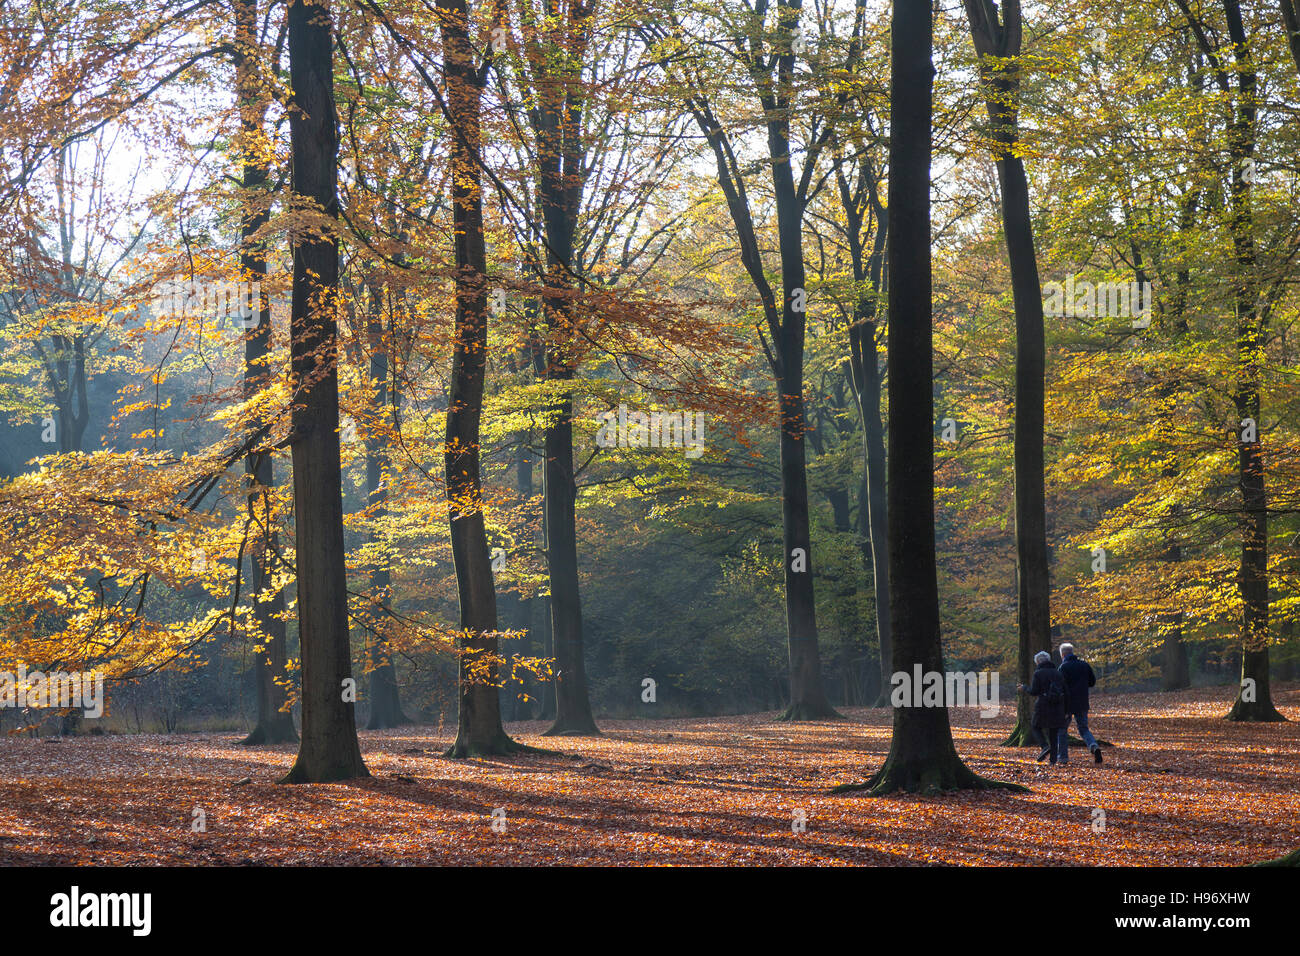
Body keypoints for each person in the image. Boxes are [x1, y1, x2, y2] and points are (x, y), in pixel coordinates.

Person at [1021, 650, 1069, 765]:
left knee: (1035, 726)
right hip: (1057, 707)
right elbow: (1066, 692)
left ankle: (1044, 746)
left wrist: (1024, 688)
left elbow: (1034, 691)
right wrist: (1067, 710)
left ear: (1037, 662)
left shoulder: (1038, 673)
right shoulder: (1058, 673)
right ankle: (1053, 761)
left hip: (1042, 705)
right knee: (1053, 732)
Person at [1058, 642, 1102, 764]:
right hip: (1082, 702)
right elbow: (1092, 682)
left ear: (1062, 654)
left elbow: (1060, 687)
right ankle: (1093, 745)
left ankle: (1062, 757)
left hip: (1067, 704)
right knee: (1083, 728)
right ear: (1072, 652)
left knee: (1061, 730)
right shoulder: (1084, 665)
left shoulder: (1063, 667)